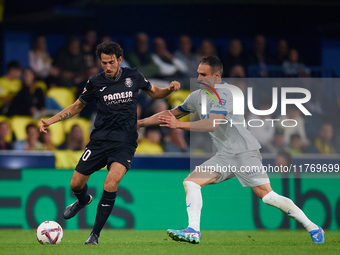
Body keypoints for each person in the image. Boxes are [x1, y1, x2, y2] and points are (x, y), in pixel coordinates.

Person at [138, 55, 324, 244]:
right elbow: (170, 114)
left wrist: (178, 125)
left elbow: (212, 124)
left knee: (267, 196)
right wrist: (140, 123)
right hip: (225, 155)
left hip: (245, 152)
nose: (199, 78)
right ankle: (193, 230)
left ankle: (313, 227)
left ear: (217, 76)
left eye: (203, 74)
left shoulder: (227, 92)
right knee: (191, 183)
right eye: (197, 74)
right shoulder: (196, 96)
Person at [39, 41, 180, 245]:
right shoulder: (95, 82)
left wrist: (170, 89)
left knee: (111, 182)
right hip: (99, 141)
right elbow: (78, 106)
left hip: (125, 143)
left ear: (119, 60)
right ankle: (82, 200)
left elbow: (156, 92)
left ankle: (94, 235)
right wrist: (51, 120)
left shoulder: (134, 76)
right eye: (104, 62)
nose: (107, 66)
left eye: (111, 62)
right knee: (75, 184)